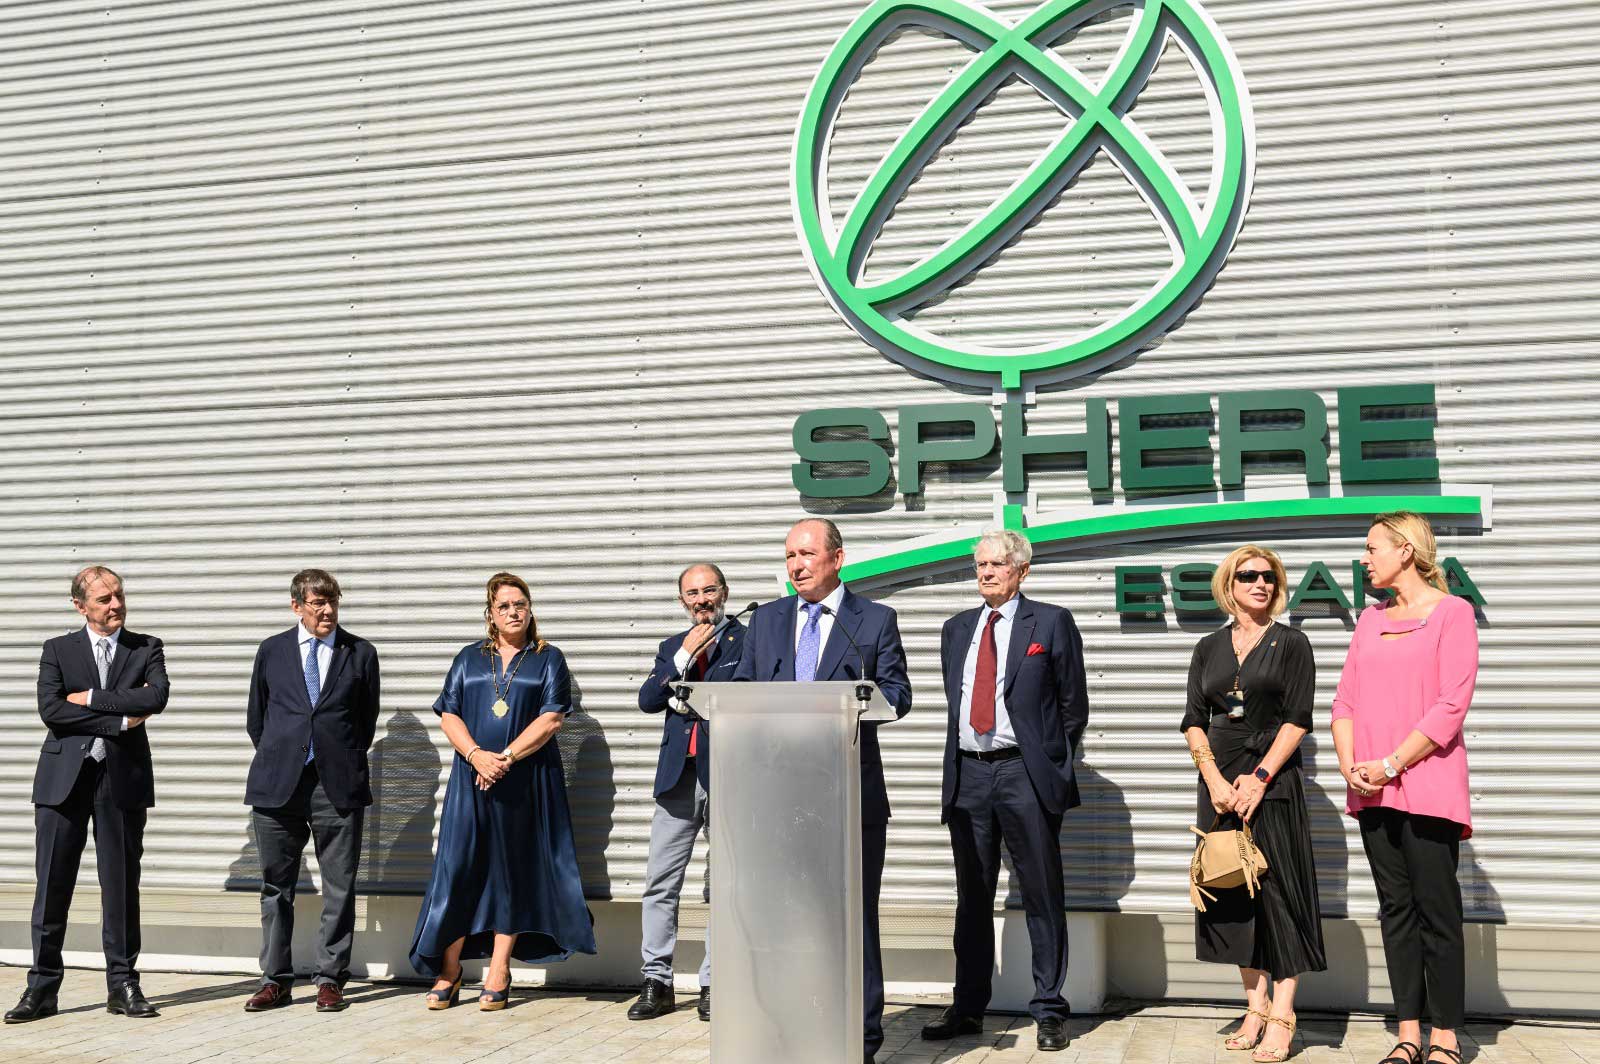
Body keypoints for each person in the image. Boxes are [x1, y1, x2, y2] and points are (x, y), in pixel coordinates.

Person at [732, 517, 911, 1064]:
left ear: (837, 558)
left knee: (852, 922)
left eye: (807, 554)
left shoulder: (873, 620)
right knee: (783, 922)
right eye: (790, 555)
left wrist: (859, 698)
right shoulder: (765, 619)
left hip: (849, 796)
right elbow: (740, 690)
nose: (796, 565)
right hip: (776, 801)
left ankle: (861, 1039)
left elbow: (898, 693)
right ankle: (791, 1032)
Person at [921, 530, 1088, 1054]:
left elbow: (1073, 707)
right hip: (969, 775)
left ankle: (1050, 1009)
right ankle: (968, 1007)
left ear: (1021, 570)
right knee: (972, 898)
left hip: (1023, 774)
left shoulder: (1051, 622)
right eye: (980, 565)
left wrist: (1049, 764)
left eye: (996, 564)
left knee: (1041, 893)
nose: (986, 573)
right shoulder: (956, 629)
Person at [410, 571, 597, 1010]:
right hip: (471, 779)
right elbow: (449, 714)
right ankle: (450, 968)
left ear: (530, 610)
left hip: (525, 781)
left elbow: (552, 718)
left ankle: (499, 969)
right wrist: (477, 755)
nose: (514, 612)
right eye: (504, 606)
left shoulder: (548, 658)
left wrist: (506, 758)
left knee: (510, 873)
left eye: (520, 604)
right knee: (459, 869)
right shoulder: (468, 658)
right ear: (490, 615)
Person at [1332, 513, 1477, 1064]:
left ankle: (1446, 1036)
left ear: (1407, 551)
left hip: (1427, 783)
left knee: (1436, 911)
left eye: (1372, 548)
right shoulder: (1370, 619)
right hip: (1371, 789)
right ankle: (1409, 1032)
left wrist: (1391, 764)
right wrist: (1350, 766)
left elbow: (1451, 705)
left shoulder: (1453, 613)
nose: (1364, 558)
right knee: (1395, 910)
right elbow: (1344, 702)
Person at [6, 566, 169, 1025]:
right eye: (104, 599)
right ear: (80, 606)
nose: (116, 604)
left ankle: (123, 985)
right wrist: (119, 717)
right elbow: (51, 710)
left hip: (121, 780)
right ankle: (41, 987)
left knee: (121, 887)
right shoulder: (57, 650)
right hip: (63, 782)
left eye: (119, 595)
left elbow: (156, 698)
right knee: (52, 885)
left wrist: (91, 697)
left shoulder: (146, 647)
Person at [1180, 546, 1326, 1062]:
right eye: (1249, 576)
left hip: (1273, 780)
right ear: (1229, 585)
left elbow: (1298, 719)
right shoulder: (1208, 647)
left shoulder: (1293, 643)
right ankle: (1254, 1008)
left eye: (1269, 577)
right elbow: (1194, 720)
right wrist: (1214, 780)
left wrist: (1260, 778)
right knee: (1232, 892)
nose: (1261, 583)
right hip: (1219, 782)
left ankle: (1284, 1014)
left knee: (1281, 894)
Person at [242, 569, 381, 1014]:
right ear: (296, 606)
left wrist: (335, 757)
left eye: (333, 601)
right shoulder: (272, 651)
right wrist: (285, 754)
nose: (327, 611)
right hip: (277, 785)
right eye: (318, 603)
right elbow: (257, 718)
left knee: (339, 886)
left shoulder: (360, 653)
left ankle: (330, 979)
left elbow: (364, 721)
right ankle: (274, 981)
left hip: (336, 785)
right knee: (275, 887)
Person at [629, 563, 746, 1023]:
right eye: (692, 594)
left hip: (728, 775)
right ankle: (656, 981)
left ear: (724, 592)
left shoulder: (747, 640)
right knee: (661, 881)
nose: (701, 600)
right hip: (678, 777)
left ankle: (715, 982)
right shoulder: (670, 647)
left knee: (724, 884)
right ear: (682, 601)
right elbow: (648, 700)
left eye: (709, 590)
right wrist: (682, 656)